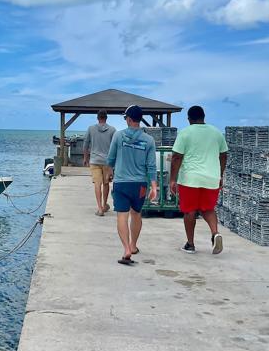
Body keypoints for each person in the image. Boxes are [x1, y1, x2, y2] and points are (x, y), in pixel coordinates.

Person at [169, 105, 228, 255]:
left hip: (190, 179)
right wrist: (220, 174)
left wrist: (172, 179)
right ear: (203, 117)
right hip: (211, 178)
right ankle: (215, 233)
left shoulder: (185, 133)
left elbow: (176, 157)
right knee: (208, 209)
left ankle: (190, 244)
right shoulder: (216, 133)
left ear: (189, 119)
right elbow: (223, 155)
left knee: (189, 211)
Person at [106, 105, 158, 265]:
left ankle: (126, 248)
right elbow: (151, 165)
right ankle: (134, 245)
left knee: (122, 215)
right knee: (136, 214)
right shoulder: (149, 140)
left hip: (121, 182)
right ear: (140, 119)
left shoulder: (118, 136)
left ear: (128, 119)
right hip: (140, 185)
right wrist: (154, 186)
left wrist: (109, 173)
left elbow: (110, 158)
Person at [84, 109, 116, 216]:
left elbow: (85, 144)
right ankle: (104, 204)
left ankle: (99, 209)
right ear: (106, 118)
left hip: (94, 160)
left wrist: (85, 158)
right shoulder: (112, 130)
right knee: (106, 183)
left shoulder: (91, 129)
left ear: (97, 118)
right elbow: (115, 147)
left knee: (97, 183)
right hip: (107, 161)